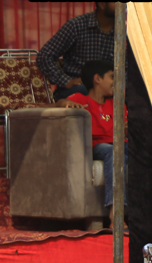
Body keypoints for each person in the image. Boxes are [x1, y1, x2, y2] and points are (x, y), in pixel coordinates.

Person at [52, 59, 126, 222]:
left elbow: (125, 126)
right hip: (98, 146)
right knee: (114, 152)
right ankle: (115, 212)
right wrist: (67, 103)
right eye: (112, 77)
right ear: (97, 79)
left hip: (120, 144)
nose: (116, 82)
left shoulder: (116, 104)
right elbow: (59, 103)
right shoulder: (81, 99)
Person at [37, 3, 116, 101]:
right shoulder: (76, 25)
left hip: (110, 90)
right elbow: (44, 56)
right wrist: (66, 81)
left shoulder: (126, 30)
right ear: (102, 4)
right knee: (87, 90)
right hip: (78, 89)